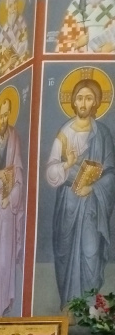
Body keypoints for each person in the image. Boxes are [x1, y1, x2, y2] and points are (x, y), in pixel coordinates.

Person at [45, 77, 115, 309]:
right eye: (80, 98)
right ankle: (70, 308)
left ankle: (90, 308)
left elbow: (111, 173)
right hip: (69, 203)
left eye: (89, 98)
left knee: (91, 253)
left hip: (92, 205)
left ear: (96, 102)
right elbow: (51, 172)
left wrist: (92, 188)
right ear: (73, 102)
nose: (84, 103)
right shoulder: (64, 134)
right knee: (66, 254)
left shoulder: (102, 134)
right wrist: (67, 164)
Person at [0, 93, 25, 316]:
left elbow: (17, 174)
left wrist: (10, 197)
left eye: (6, 115)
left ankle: (3, 302)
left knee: (3, 256)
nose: (3, 120)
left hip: (7, 207)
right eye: (0, 116)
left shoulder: (14, 138)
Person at [0, 0, 29, 80]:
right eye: (10, 6)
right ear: (7, 9)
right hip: (8, 73)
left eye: (15, 3)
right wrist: (8, 63)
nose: (14, 8)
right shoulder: (3, 35)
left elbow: (25, 47)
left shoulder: (21, 23)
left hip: (21, 66)